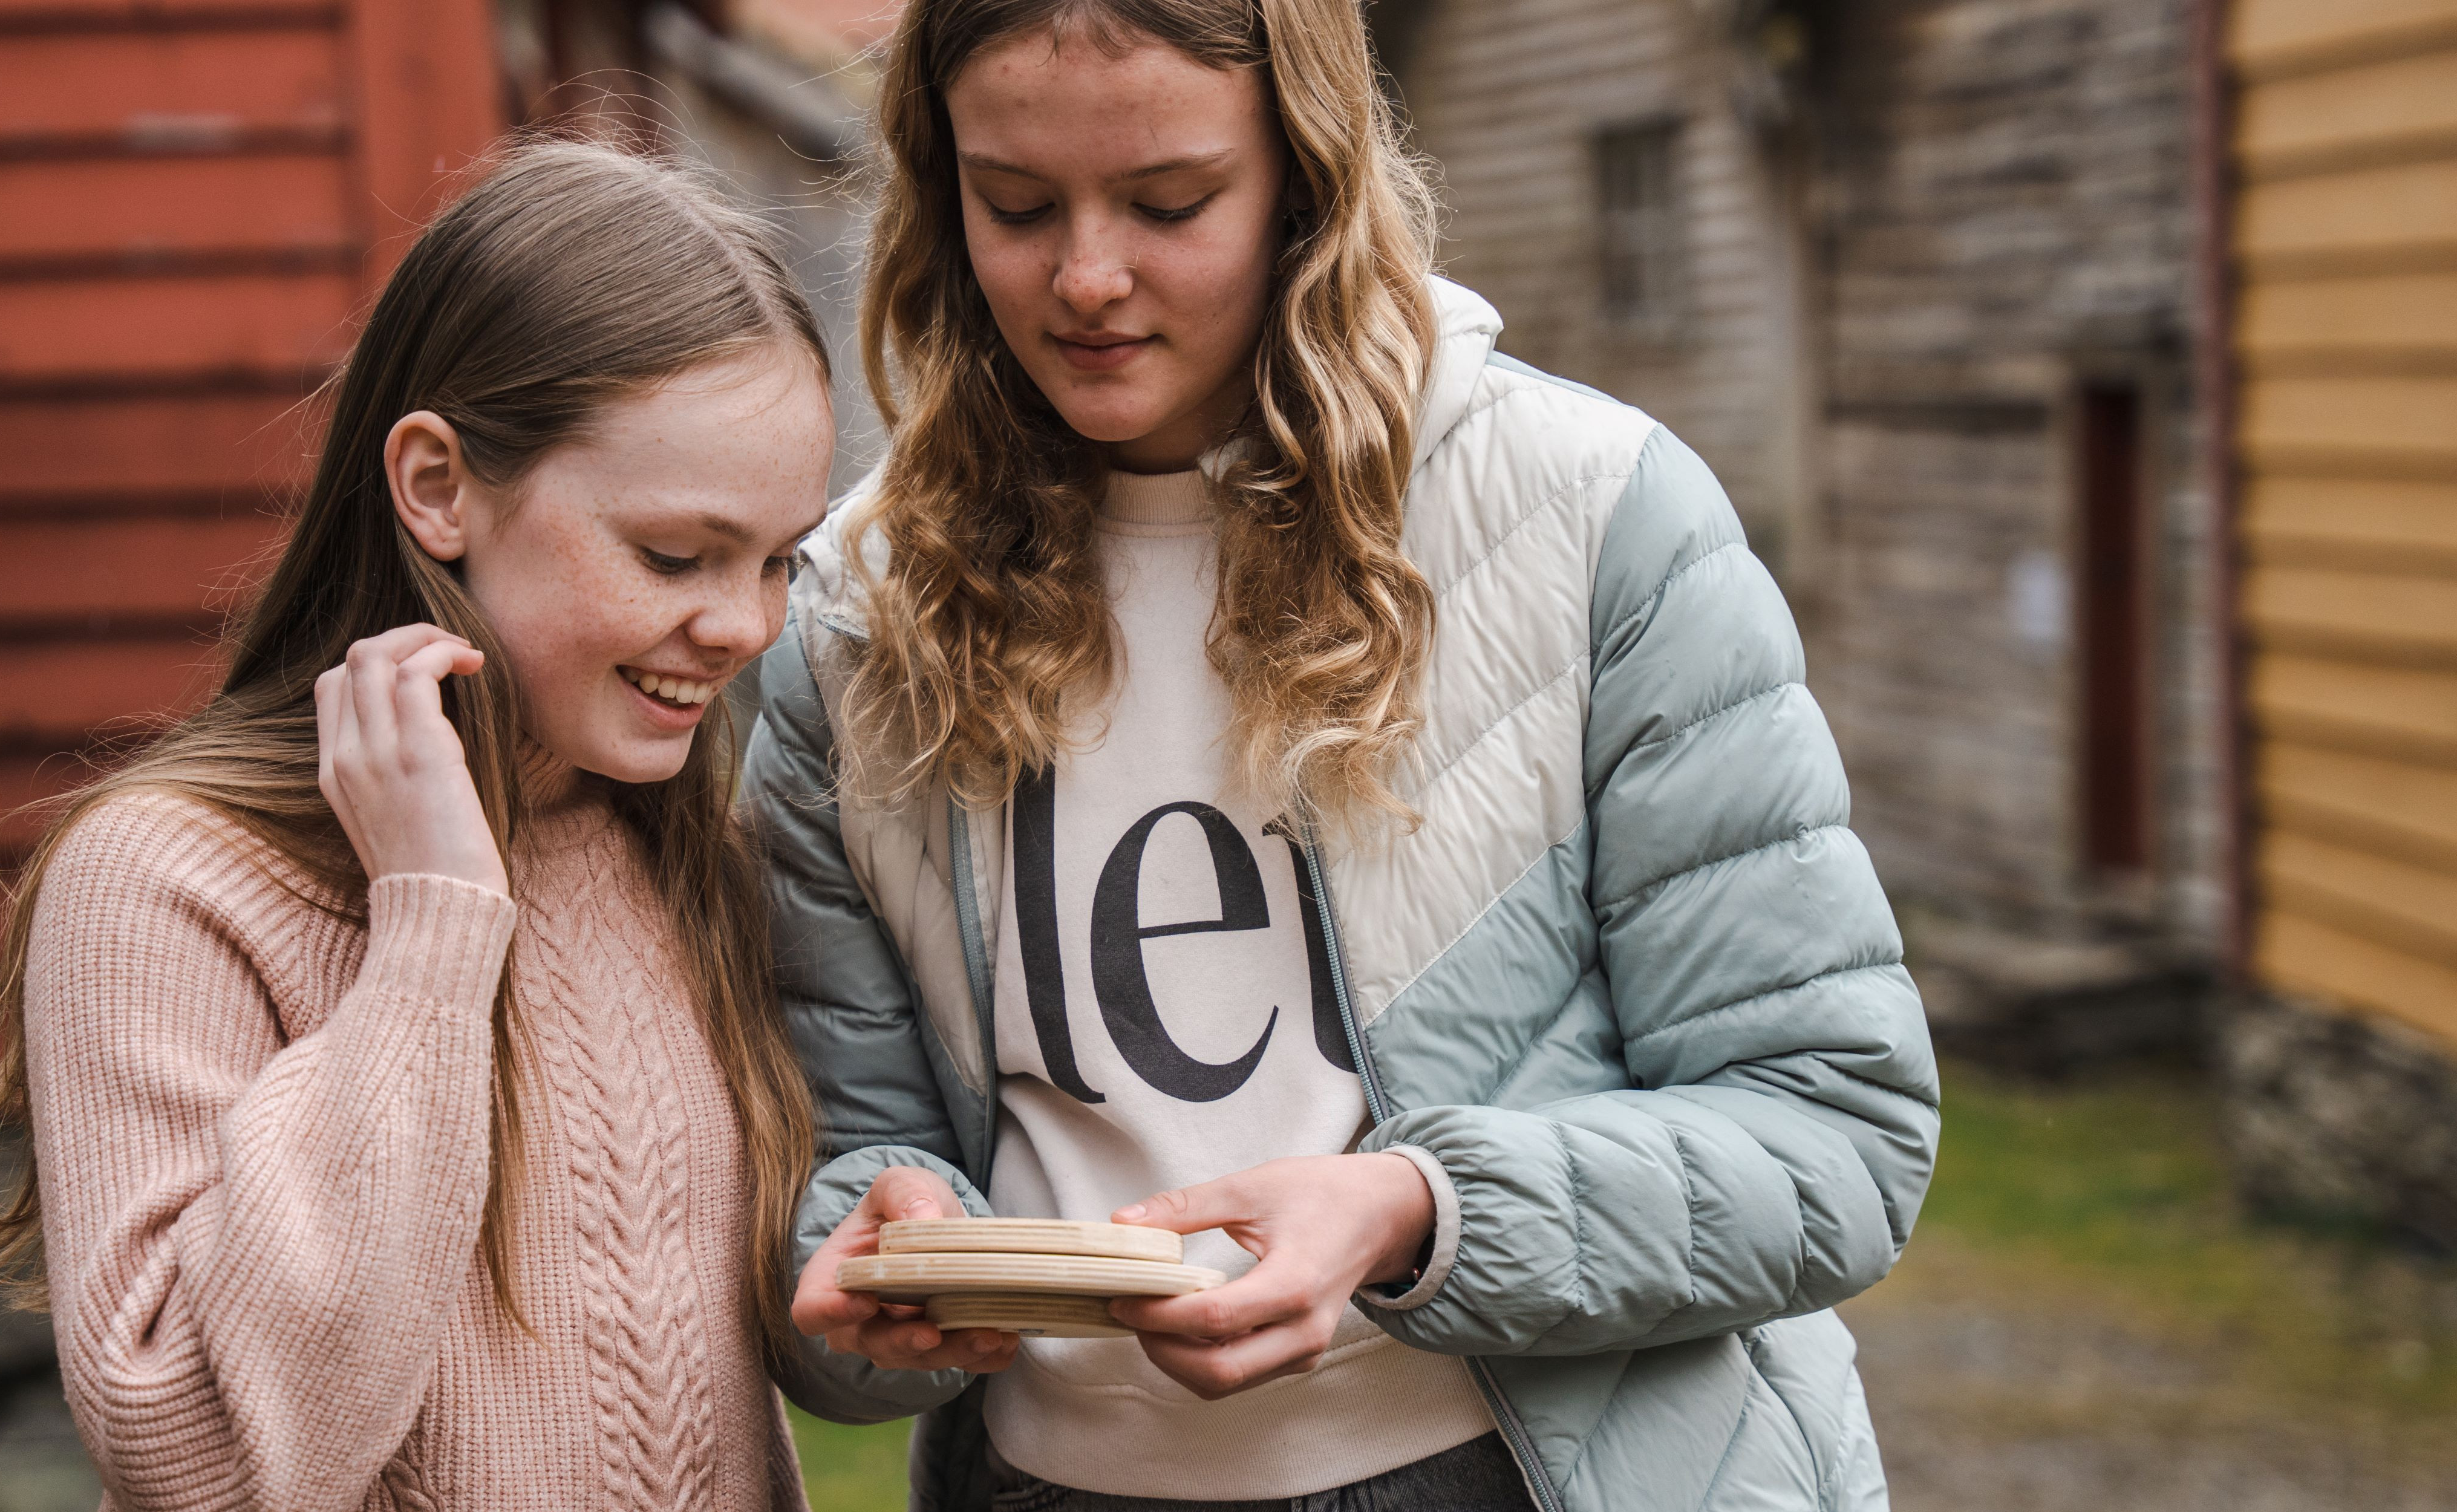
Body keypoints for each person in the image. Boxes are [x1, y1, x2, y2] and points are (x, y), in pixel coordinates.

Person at [740, 0, 1940, 1502]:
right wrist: (878, 1238)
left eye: (1172, 203)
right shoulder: (851, 616)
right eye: (1016, 206)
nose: (1087, 277)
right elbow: (836, 1181)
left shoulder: (1594, 517)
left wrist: (1412, 1210)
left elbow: (1833, 1134)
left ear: (1309, 178)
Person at [0, 141, 838, 1508]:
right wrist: (433, 931)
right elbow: (202, 1462)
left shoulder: (684, 845)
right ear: (437, 487)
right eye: (673, 555)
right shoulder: (167, 882)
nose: (746, 626)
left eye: (779, 559)